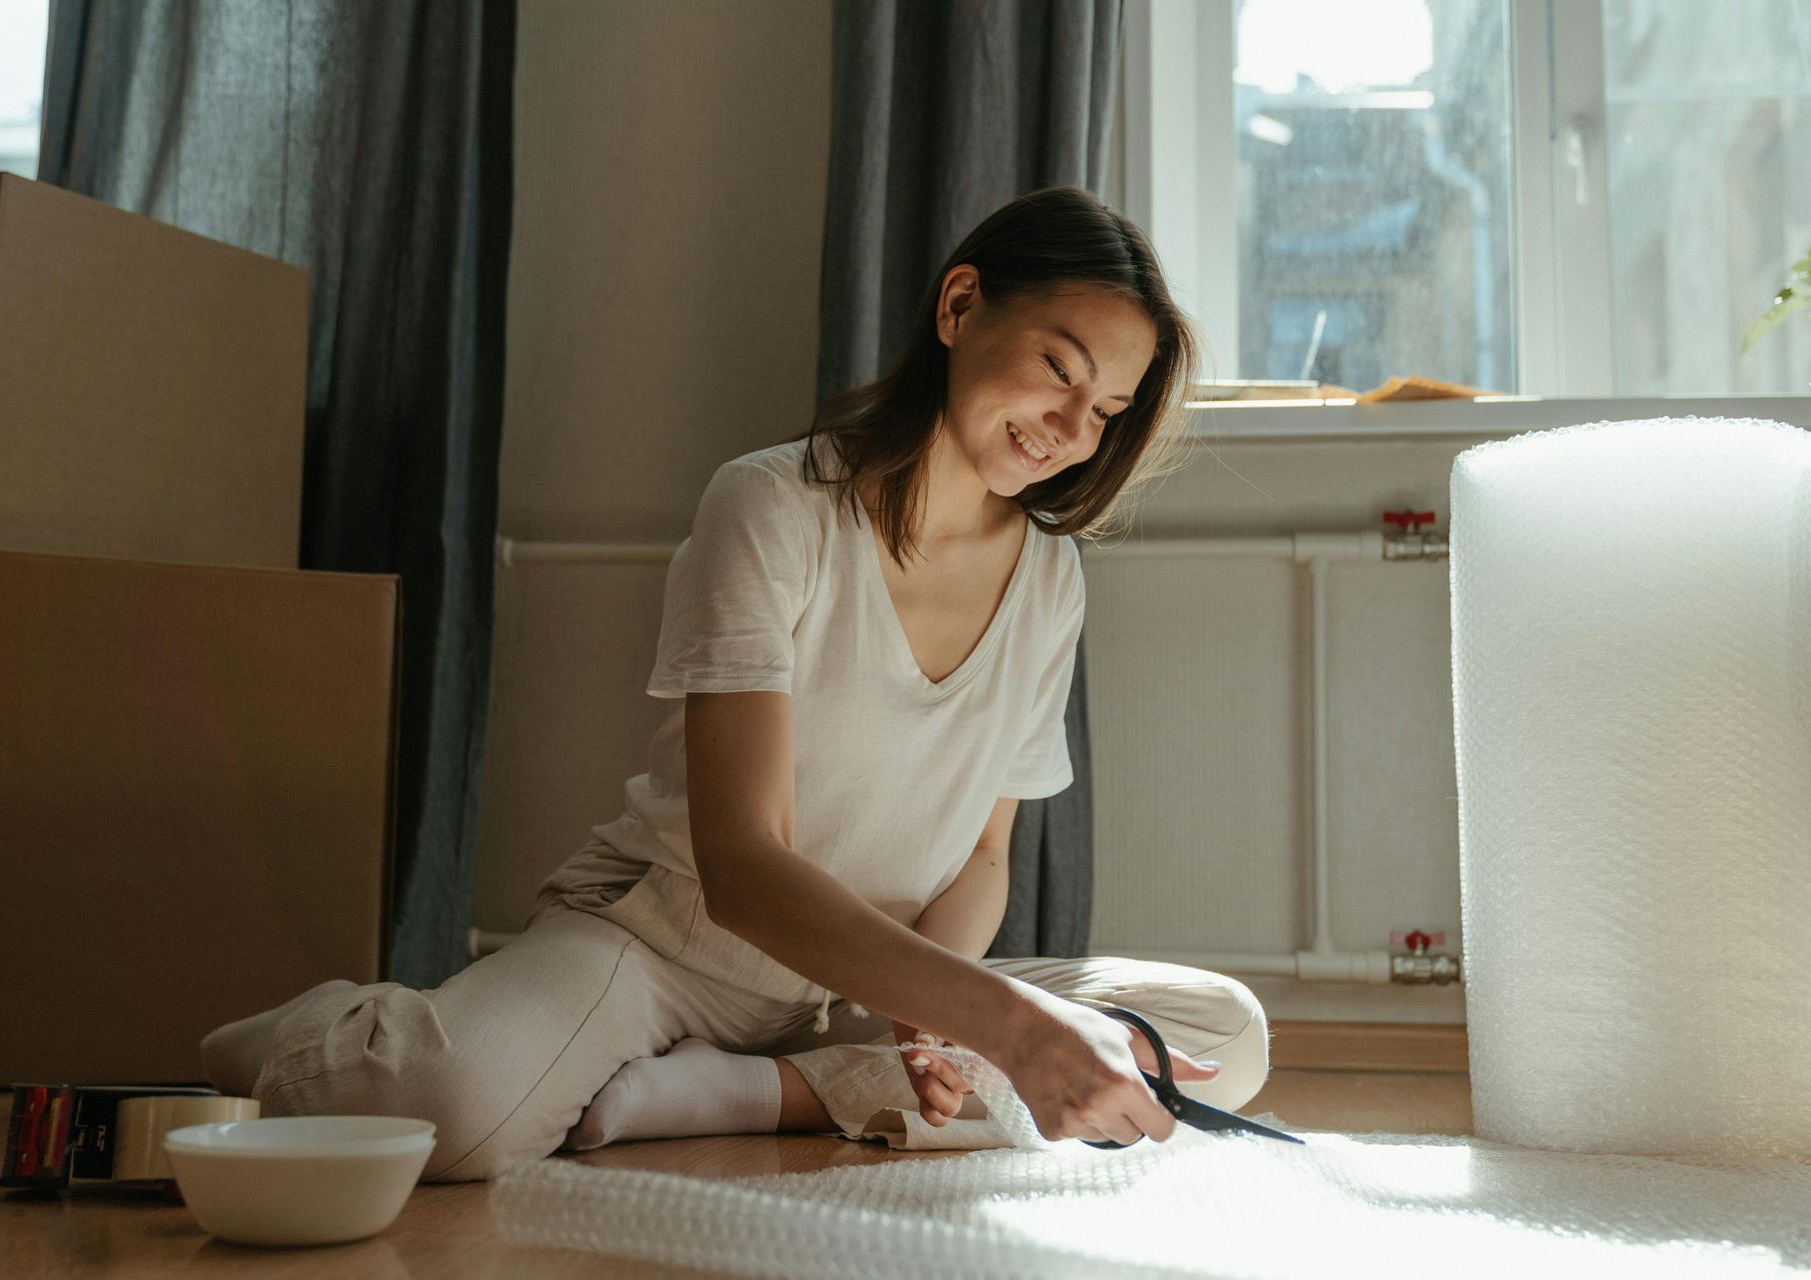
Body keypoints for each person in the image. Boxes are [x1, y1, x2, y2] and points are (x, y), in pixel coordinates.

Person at [199, 186, 1271, 1182]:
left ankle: (749, 1091)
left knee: (1219, 1032)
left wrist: (934, 1012)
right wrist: (1009, 1025)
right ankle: (325, 1029)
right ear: (960, 304)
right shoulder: (772, 505)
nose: (1072, 427)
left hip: (866, 988)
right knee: (449, 1110)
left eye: (1108, 409)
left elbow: (985, 856)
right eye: (1060, 368)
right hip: (668, 946)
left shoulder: (1051, 577)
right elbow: (744, 866)